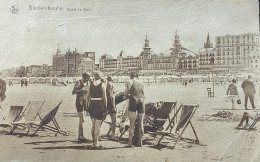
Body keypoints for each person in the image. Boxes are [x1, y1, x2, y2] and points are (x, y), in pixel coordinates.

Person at [86, 71, 107, 148]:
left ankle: (93, 143)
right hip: (99, 104)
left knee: (93, 125)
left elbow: (87, 97)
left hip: (92, 104)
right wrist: (105, 107)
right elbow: (105, 98)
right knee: (98, 125)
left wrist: (87, 107)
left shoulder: (91, 85)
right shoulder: (102, 85)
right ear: (101, 77)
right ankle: (96, 142)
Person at [124, 71, 145, 147]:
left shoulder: (129, 81)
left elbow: (126, 93)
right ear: (137, 76)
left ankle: (129, 143)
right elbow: (143, 93)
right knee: (141, 122)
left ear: (131, 76)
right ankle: (141, 142)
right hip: (141, 101)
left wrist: (126, 96)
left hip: (133, 101)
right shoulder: (142, 82)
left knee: (132, 123)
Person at [72, 72, 91, 142]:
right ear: (84, 77)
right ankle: (80, 136)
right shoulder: (78, 82)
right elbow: (73, 92)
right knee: (81, 119)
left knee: (83, 119)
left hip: (85, 102)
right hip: (79, 102)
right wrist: (81, 90)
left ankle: (81, 135)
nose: (89, 79)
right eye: (87, 78)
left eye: (89, 78)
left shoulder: (89, 83)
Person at [106, 76, 117, 140]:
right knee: (113, 121)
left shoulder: (106, 85)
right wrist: (113, 106)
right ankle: (113, 135)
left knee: (101, 120)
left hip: (106, 104)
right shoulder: (111, 85)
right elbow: (111, 97)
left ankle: (97, 135)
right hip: (111, 105)